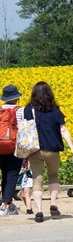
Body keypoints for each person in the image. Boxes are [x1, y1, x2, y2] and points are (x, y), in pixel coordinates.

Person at [26, 81, 73, 222]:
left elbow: (25, 128)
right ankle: (53, 204)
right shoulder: (55, 110)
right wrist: (72, 148)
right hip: (53, 150)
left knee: (37, 179)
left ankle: (39, 211)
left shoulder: (29, 109)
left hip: (35, 150)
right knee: (53, 175)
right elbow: (63, 130)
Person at [0, 85, 24, 217]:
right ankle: (4, 206)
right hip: (14, 147)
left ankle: (7, 204)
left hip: (0, 147)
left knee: (4, 176)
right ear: (16, 98)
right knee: (12, 176)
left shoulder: (0, 110)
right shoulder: (19, 111)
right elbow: (24, 129)